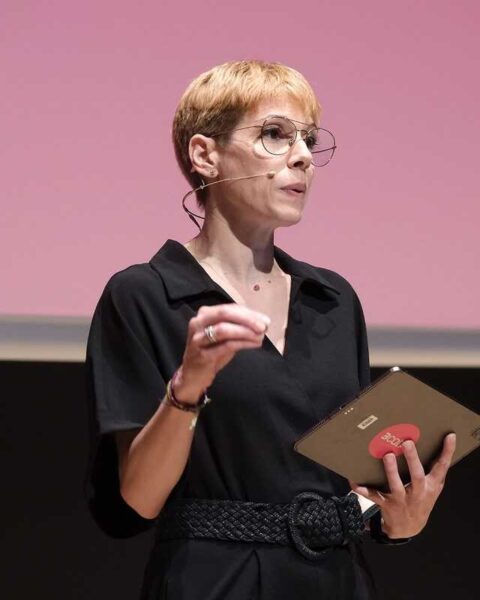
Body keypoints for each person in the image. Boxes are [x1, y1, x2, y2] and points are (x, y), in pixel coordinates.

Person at [85, 59, 456, 599]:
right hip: (214, 581)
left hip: (336, 580)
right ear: (204, 154)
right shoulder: (146, 295)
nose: (303, 157)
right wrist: (188, 387)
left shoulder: (332, 299)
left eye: (308, 140)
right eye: (275, 136)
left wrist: (396, 520)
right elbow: (139, 500)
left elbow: (352, 483)